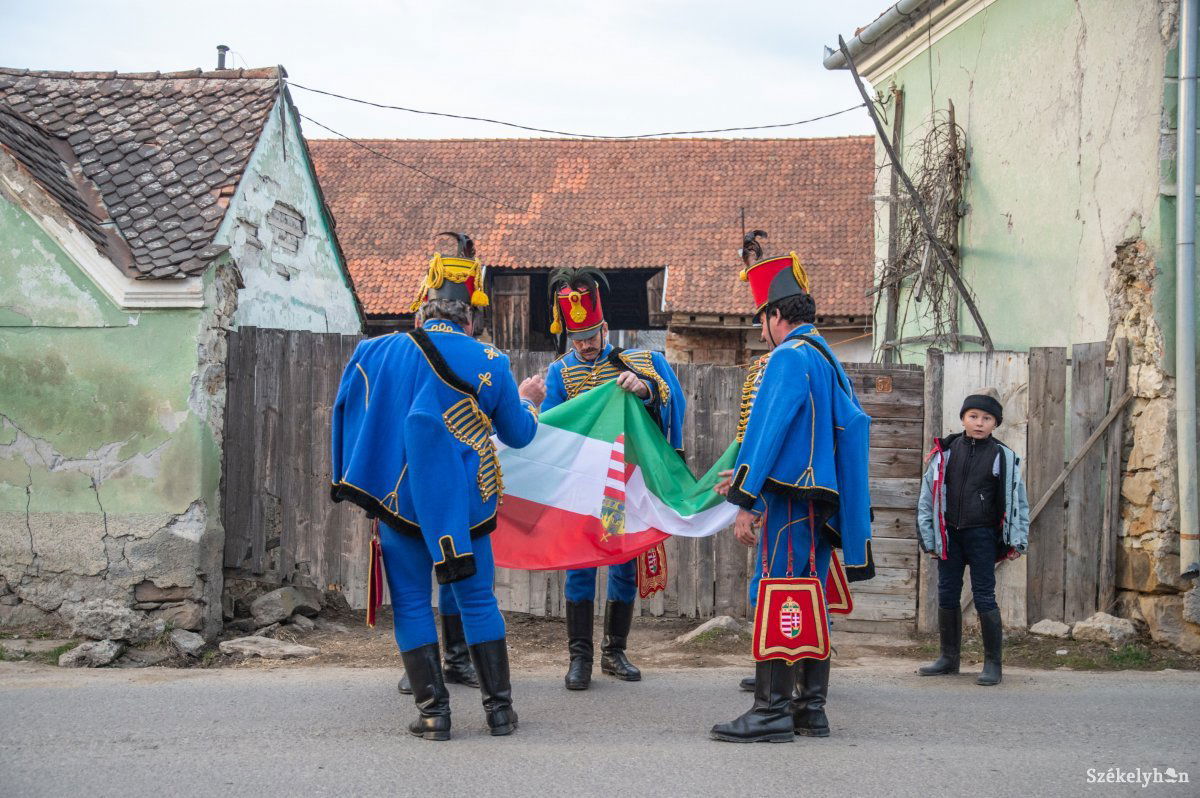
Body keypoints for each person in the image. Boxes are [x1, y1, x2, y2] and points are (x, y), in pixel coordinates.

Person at [331, 232, 546, 740]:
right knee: (478, 602)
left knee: (410, 603)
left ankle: (433, 715)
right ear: (469, 318)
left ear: (421, 312)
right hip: (466, 507)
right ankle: (499, 713)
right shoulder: (491, 361)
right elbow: (518, 433)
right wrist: (528, 401)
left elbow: (348, 409)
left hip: (400, 502)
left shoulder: (377, 352)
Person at [711, 231, 871, 743]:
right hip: (822, 503)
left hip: (790, 502)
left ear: (775, 315)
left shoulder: (789, 357)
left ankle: (771, 711)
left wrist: (747, 499)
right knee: (810, 595)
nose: (762, 333)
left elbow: (767, 433)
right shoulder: (826, 358)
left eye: (761, 320)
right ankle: (809, 708)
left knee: (779, 594)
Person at [542, 268, 685, 691]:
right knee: (580, 568)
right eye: (577, 338)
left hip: (624, 485)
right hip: (581, 485)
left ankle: (614, 651)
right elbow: (551, 427)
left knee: (623, 566)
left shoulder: (638, 363)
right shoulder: (559, 374)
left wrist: (643, 389)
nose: (585, 345)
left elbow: (669, 399)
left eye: (590, 335)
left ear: (604, 328)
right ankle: (579, 658)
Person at [916, 387, 1029, 686]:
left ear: (996, 423)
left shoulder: (1002, 457)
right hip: (949, 535)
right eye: (973, 416)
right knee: (947, 593)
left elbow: (1018, 502)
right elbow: (927, 497)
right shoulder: (945, 453)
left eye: (987, 418)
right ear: (963, 418)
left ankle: (993, 663)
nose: (979, 423)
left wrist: (1018, 539)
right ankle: (948, 658)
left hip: (982, 536)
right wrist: (929, 537)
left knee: (984, 596)